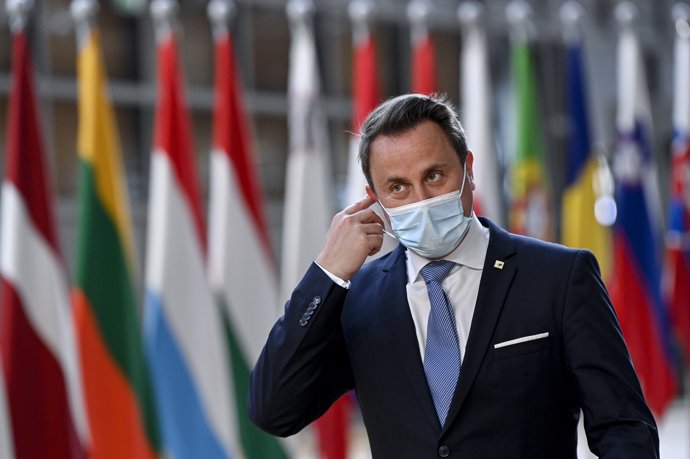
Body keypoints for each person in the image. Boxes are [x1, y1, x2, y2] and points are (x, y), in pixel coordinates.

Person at [249, 93, 659, 458]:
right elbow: (273, 411)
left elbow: (624, 429)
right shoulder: (356, 299)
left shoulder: (560, 277)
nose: (422, 200)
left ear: (469, 170)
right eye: (398, 187)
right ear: (373, 200)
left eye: (433, 176)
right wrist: (327, 273)